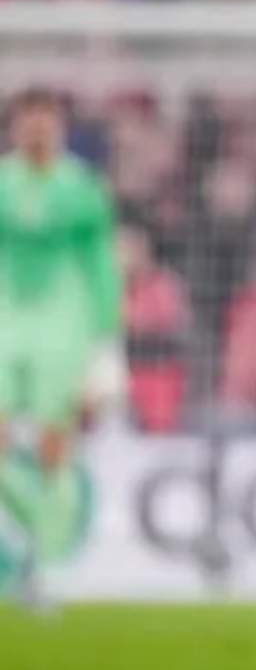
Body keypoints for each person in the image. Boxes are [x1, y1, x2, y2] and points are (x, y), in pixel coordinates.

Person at [0, 90, 123, 611]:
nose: (37, 131)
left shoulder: (83, 189)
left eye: (46, 122)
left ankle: (44, 569)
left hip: (62, 324)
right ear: (15, 128)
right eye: (29, 122)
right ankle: (29, 537)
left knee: (54, 445)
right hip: (6, 317)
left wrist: (106, 341)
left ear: (61, 129)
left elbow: (100, 264)